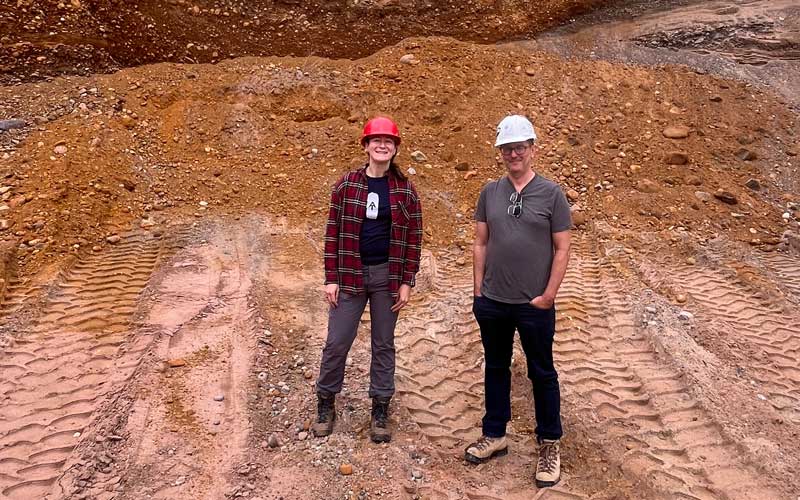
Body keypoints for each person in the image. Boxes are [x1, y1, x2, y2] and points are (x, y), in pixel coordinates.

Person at [465, 115, 571, 488]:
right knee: (496, 367)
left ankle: (549, 443)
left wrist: (549, 296)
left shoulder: (552, 194)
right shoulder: (489, 193)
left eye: (520, 147)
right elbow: (480, 242)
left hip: (534, 304)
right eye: (508, 148)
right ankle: (495, 434)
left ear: (532, 149)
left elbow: (562, 249)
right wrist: (479, 290)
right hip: (493, 300)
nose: (514, 153)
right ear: (501, 152)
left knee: (542, 372)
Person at [313, 116, 423, 443]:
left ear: (395, 148)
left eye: (388, 141)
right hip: (350, 274)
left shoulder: (405, 190)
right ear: (365, 145)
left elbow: (414, 238)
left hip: (387, 276)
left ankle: (380, 407)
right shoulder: (347, 185)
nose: (382, 145)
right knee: (337, 341)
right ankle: (325, 402)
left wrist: (407, 281)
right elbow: (332, 233)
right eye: (376, 140)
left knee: (384, 344)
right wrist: (331, 277)